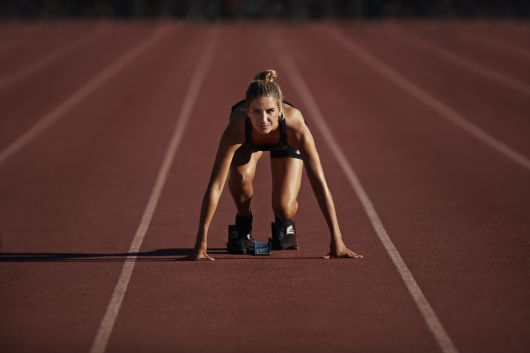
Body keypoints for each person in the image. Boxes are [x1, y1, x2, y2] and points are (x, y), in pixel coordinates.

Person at [186, 69, 363, 261]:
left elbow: (319, 183)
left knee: (284, 206)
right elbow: (215, 185)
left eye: (270, 111)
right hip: (249, 142)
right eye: (256, 112)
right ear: (247, 111)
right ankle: (243, 221)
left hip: (284, 142)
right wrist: (200, 241)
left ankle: (284, 224)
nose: (263, 120)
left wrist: (337, 239)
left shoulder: (295, 124)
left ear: (280, 109)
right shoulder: (237, 125)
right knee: (239, 178)